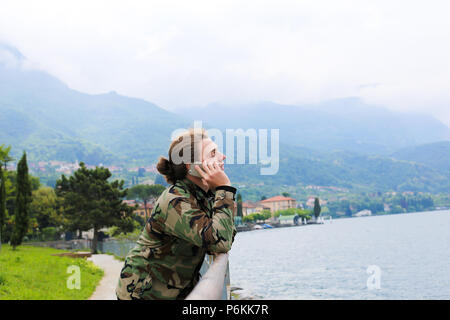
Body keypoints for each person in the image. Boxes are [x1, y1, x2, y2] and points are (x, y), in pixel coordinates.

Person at [115, 128, 237, 300]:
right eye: (213, 153)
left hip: (176, 290)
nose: (222, 156)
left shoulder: (202, 195)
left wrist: (219, 192)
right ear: (192, 167)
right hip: (144, 293)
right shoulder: (176, 201)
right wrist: (224, 189)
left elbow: (227, 234)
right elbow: (220, 242)